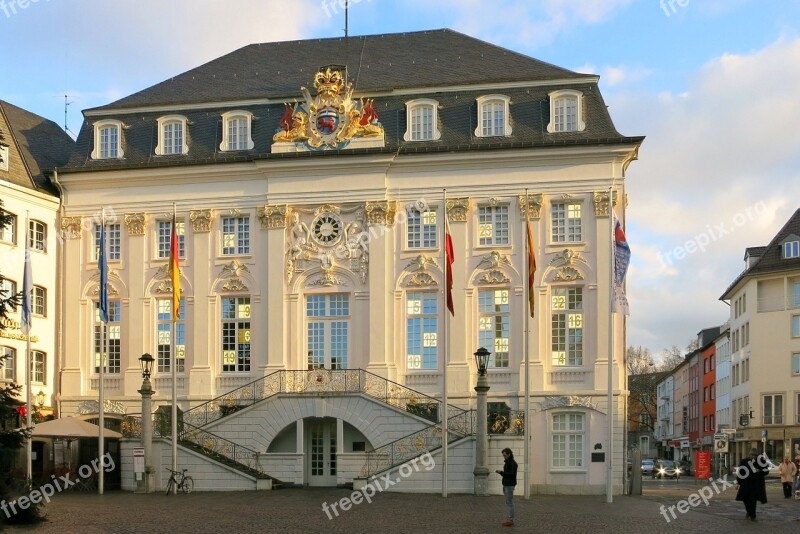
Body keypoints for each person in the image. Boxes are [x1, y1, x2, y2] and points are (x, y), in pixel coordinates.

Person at [735, 448, 768, 521]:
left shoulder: (761, 461)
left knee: (752, 500)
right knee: (745, 499)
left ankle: (753, 516)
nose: (753, 456)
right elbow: (740, 473)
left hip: (756, 484)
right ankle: (749, 511)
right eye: (751, 455)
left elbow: (766, 471)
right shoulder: (744, 461)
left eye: (754, 455)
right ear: (749, 454)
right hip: (745, 484)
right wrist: (738, 482)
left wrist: (759, 471)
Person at [495, 448, 518, 527]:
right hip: (506, 485)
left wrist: (501, 472)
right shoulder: (508, 462)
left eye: (504, 455)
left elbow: (511, 474)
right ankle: (510, 519)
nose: (503, 457)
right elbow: (507, 473)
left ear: (509, 454)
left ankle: (510, 520)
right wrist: (502, 473)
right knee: (508, 502)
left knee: (510, 503)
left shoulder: (513, 463)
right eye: (503, 455)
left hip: (509, 485)